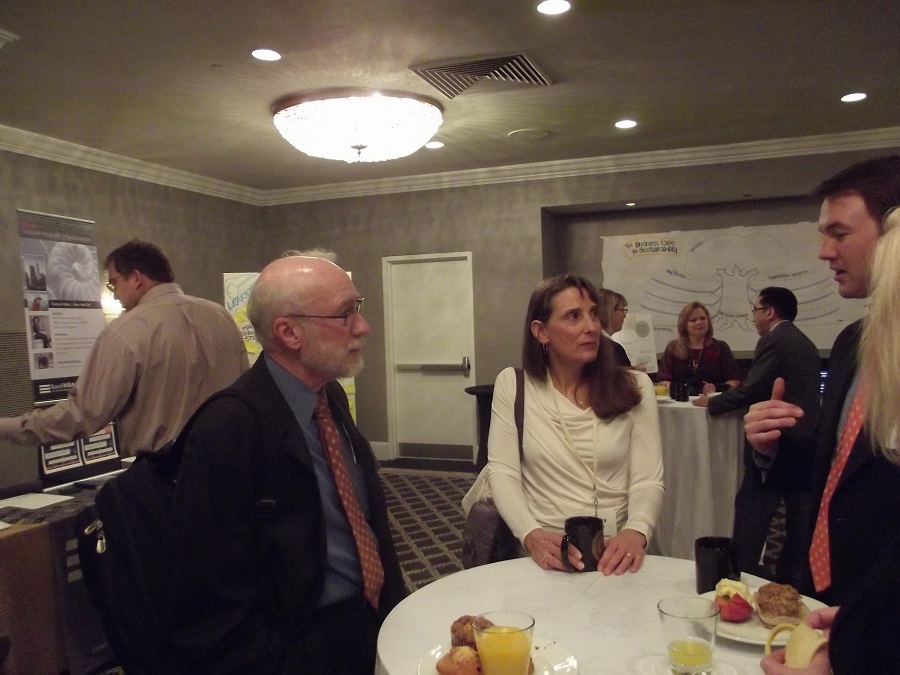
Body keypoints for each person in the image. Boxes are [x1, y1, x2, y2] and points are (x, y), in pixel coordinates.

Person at [165, 255, 405, 674]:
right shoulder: (228, 428)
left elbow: (365, 523)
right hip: (300, 647)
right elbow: (211, 596)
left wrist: (393, 610)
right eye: (346, 314)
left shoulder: (328, 397)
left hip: (368, 619)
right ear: (289, 332)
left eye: (358, 308)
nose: (363, 327)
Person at [745, 154, 900, 606]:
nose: (824, 251)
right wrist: (772, 445)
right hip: (833, 592)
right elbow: (835, 469)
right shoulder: (852, 341)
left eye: (839, 234)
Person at [0, 240, 249, 456]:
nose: (115, 295)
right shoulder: (221, 316)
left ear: (137, 278)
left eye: (114, 283)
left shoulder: (125, 331)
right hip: (232, 467)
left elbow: (81, 415)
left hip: (168, 476)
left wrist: (8, 427)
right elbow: (244, 392)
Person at [488, 274, 664, 576]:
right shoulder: (514, 386)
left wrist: (636, 530)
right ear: (541, 332)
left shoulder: (634, 387)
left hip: (618, 554)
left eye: (593, 314)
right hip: (546, 555)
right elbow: (503, 473)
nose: (592, 327)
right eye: (573, 316)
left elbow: (648, 479)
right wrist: (531, 534)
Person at [695, 287, 821, 586]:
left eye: (755, 310)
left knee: (753, 511)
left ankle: (739, 579)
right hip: (806, 439)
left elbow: (753, 389)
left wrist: (712, 403)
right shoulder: (805, 341)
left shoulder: (774, 340)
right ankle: (792, 583)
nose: (753, 317)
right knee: (799, 521)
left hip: (776, 440)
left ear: (770, 312)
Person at [657, 301, 741, 395]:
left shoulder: (720, 347)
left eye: (703, 318)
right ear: (684, 325)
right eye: (693, 320)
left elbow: (735, 381)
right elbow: (663, 381)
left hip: (712, 400)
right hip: (680, 400)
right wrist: (683, 389)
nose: (699, 322)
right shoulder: (672, 348)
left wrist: (717, 387)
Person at [596, 288, 632, 368]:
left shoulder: (593, 344)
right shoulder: (614, 349)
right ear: (609, 311)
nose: (624, 315)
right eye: (622, 310)